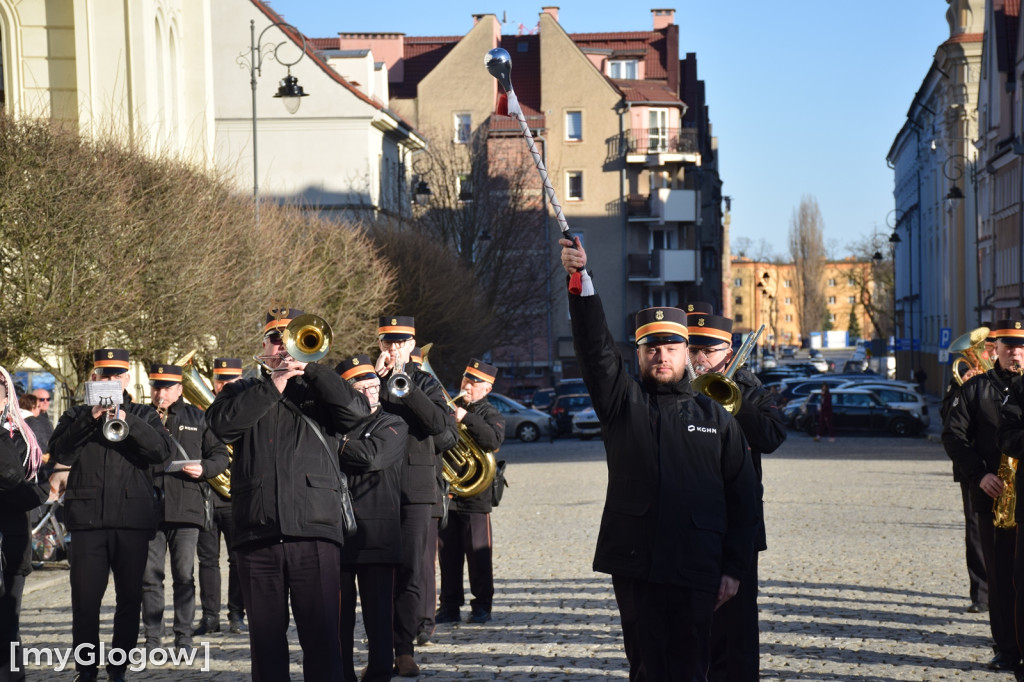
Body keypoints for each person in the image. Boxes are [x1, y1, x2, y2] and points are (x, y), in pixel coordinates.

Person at [559, 237, 759, 680]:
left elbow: (744, 500)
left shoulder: (717, 418)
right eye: (652, 348)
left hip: (698, 563)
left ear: (687, 352)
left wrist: (734, 570)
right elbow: (595, 353)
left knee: (692, 666)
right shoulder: (622, 404)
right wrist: (580, 281)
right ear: (640, 354)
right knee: (647, 667)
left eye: (671, 348)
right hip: (638, 562)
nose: (661, 356)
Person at [205, 308, 369, 681]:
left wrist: (312, 369)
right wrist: (273, 384)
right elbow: (220, 426)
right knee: (266, 645)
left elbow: (356, 414)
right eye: (275, 338)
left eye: (290, 337)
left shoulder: (320, 386)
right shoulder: (242, 389)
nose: (283, 345)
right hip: (257, 533)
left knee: (324, 640)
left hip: (315, 529)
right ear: (263, 346)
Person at [50, 348, 175, 682]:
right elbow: (60, 451)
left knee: (129, 598)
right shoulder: (75, 415)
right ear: (94, 378)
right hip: (88, 520)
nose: (110, 380)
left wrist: (126, 418)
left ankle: (118, 668)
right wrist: (89, 418)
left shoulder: (144, 414)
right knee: (85, 600)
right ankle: (86, 670)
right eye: (104, 375)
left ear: (126, 379)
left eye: (117, 375)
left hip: (132, 518)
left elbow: (162, 452)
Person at [686, 315, 787, 682]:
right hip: (685, 522)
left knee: (737, 627)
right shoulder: (675, 385)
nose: (698, 359)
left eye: (707, 351)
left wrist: (732, 399)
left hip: (735, 524)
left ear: (728, 351)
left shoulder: (751, 387)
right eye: (693, 349)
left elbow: (773, 436)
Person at [374, 315, 456, 677]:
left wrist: (406, 387)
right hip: (375, 488)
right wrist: (375, 384)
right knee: (377, 574)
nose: (393, 348)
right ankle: (380, 649)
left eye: (400, 343)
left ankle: (404, 648)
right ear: (380, 345)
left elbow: (442, 429)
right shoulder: (368, 380)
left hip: (416, 491)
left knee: (412, 572)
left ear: (412, 345)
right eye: (387, 342)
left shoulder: (426, 383)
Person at [944, 319, 1024, 672]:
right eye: (1008, 348)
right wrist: (980, 475)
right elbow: (954, 437)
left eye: (1021, 348)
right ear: (997, 351)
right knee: (1001, 576)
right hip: (995, 496)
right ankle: (1006, 648)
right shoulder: (975, 389)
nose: (1015, 354)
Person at [141, 363, 229, 652]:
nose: (160, 392)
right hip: (149, 507)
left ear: (179, 389)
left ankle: (183, 636)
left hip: (186, 507)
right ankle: (153, 638)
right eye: (156, 387)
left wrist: (203, 468)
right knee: (150, 578)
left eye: (167, 387)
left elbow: (219, 456)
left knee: (184, 576)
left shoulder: (198, 417)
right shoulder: (141, 417)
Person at [335, 355, 407, 682]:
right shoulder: (334, 424)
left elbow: (372, 457)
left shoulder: (393, 422)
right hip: (337, 533)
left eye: (374, 385)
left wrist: (336, 444)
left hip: (377, 534)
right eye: (362, 387)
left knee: (379, 616)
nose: (371, 392)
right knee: (338, 618)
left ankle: (379, 674)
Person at [437, 359, 505, 625]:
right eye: (466, 379)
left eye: (474, 383)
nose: (467, 385)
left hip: (476, 497)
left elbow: (492, 440)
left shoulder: (491, 414)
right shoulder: (449, 409)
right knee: (448, 557)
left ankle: (482, 606)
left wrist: (466, 418)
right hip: (449, 493)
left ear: (486, 389)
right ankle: (449, 606)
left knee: (479, 555)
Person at [942, 326, 994, 615]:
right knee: (975, 527)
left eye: (986, 348)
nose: (981, 355)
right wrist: (963, 388)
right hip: (971, 466)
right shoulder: (962, 383)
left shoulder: (1007, 381)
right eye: (982, 349)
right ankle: (982, 593)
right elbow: (948, 421)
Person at [0, 366, 47, 682]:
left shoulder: (19, 435)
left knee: (8, 624)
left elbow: (28, 488)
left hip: (10, 543)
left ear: (6, 397)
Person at [195, 357, 248, 637]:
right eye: (220, 379)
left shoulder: (247, 410)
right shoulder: (202, 413)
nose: (224, 383)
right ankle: (209, 616)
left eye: (230, 378)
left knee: (238, 558)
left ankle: (237, 613)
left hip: (236, 494)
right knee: (207, 560)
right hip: (206, 494)